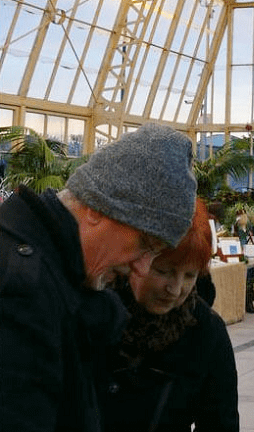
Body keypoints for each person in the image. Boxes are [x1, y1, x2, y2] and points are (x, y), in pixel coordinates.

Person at [0, 123, 197, 432]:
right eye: (145, 244)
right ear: (96, 209)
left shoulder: (58, 280)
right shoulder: (22, 290)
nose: (142, 268)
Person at [99, 198, 240, 432]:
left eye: (189, 276)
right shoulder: (92, 313)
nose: (175, 289)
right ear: (134, 257)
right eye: (163, 271)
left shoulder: (205, 331)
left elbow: (220, 422)